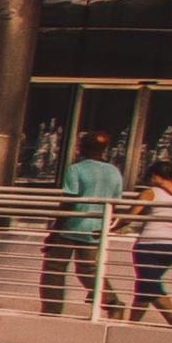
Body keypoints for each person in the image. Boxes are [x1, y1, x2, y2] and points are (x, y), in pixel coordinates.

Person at [49, 135, 127, 317]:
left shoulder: (76, 169)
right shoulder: (114, 171)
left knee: (54, 268)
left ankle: (51, 310)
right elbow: (114, 202)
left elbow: (69, 200)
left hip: (71, 226)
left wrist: (55, 229)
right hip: (95, 227)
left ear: (83, 147)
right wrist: (105, 224)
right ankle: (112, 303)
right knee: (88, 270)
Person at [131, 165, 172, 323]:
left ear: (155, 176)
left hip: (148, 245)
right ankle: (130, 324)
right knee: (145, 285)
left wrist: (108, 226)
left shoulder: (150, 193)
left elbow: (129, 215)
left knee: (149, 284)